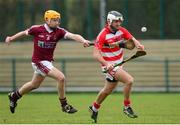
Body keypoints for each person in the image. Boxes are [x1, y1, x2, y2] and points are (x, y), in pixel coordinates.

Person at [5, 10, 90, 114]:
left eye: (58, 20)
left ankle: (14, 96)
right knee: (61, 78)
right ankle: (64, 105)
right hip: (38, 62)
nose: (57, 22)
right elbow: (23, 33)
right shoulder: (36, 29)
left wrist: (83, 40)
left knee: (34, 85)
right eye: (54, 20)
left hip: (47, 62)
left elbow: (73, 35)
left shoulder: (59, 31)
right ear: (47, 20)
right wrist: (10, 38)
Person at [89, 10, 145, 123]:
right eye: (116, 22)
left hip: (119, 64)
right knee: (129, 80)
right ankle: (126, 107)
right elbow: (95, 54)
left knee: (108, 90)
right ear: (109, 21)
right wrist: (106, 64)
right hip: (109, 66)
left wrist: (139, 44)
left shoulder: (122, 31)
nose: (118, 24)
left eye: (120, 21)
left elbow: (132, 39)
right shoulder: (103, 34)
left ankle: (94, 108)